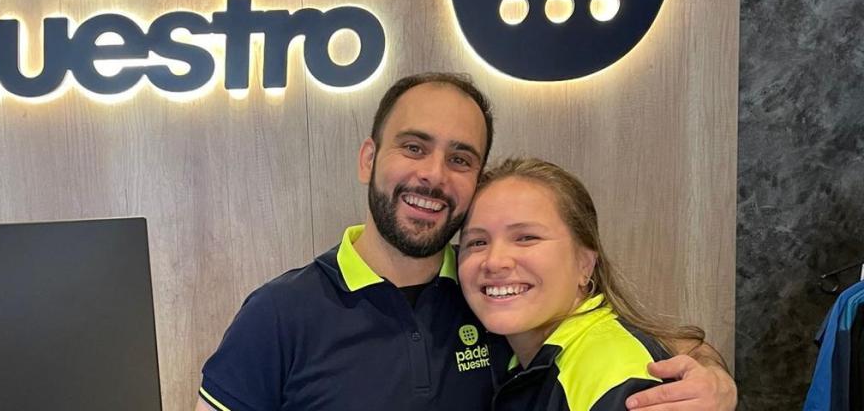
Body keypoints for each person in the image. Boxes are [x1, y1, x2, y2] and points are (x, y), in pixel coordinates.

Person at [196, 72, 736, 411]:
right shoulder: (279, 313)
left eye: (460, 158)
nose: (433, 175)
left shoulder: (496, 294)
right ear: (369, 159)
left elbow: (651, 344)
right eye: (413, 147)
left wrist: (714, 382)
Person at [459, 157, 713, 410]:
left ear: (585, 263)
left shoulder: (615, 375)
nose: (494, 261)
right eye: (477, 242)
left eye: (526, 237)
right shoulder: (527, 357)